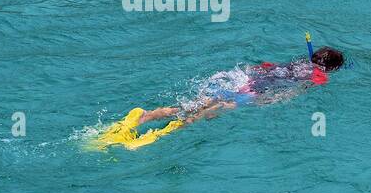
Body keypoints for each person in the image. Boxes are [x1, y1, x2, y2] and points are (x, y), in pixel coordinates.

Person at [89, 47, 345, 149]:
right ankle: (166, 131)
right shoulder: (318, 76)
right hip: (256, 92)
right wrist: (274, 101)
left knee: (194, 103)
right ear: (330, 68)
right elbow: (295, 90)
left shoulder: (294, 63)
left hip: (248, 80)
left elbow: (265, 67)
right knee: (219, 108)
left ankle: (146, 116)